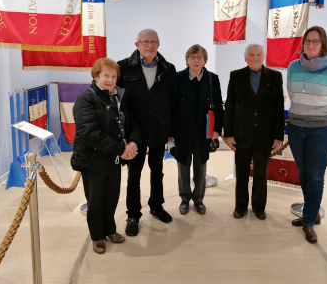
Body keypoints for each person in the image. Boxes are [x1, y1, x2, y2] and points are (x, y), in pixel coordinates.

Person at [287, 26, 327, 244]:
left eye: (315, 41)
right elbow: (293, 95)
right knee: (303, 174)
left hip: (322, 131)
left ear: (323, 44)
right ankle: (311, 213)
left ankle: (309, 222)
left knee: (315, 176)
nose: (310, 45)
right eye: (307, 41)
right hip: (296, 128)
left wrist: (324, 118)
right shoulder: (294, 66)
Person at [71, 58, 141, 254]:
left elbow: (131, 123)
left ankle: (110, 230)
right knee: (95, 201)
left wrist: (133, 142)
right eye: (105, 76)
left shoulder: (117, 97)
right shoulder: (87, 98)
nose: (110, 80)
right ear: (96, 77)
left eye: (113, 76)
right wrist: (121, 149)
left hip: (113, 159)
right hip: (93, 160)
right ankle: (97, 236)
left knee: (111, 197)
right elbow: (89, 133)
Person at [117, 28, 178, 236]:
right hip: (134, 131)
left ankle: (156, 206)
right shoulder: (123, 68)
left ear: (158, 45)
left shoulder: (168, 69)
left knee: (157, 171)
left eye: (153, 42)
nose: (149, 45)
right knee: (134, 174)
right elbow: (116, 100)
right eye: (145, 42)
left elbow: (173, 102)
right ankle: (133, 214)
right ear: (137, 45)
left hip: (159, 129)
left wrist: (170, 129)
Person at [224, 44, 285, 220]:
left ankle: (259, 207)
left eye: (259, 54)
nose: (255, 57)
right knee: (241, 174)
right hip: (242, 134)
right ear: (245, 57)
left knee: (260, 174)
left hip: (264, 136)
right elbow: (229, 107)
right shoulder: (236, 76)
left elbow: (278, 108)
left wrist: (278, 136)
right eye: (251, 54)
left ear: (264, 56)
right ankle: (240, 206)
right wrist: (228, 133)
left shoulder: (275, 77)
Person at [172, 45, 223, 215]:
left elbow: (218, 106)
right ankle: (185, 198)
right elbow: (170, 106)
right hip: (182, 129)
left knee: (201, 164)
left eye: (199, 57)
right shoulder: (177, 78)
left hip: (204, 130)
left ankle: (199, 198)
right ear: (187, 59)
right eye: (192, 57)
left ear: (205, 60)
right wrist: (170, 131)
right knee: (183, 164)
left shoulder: (211, 79)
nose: (196, 60)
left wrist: (217, 129)